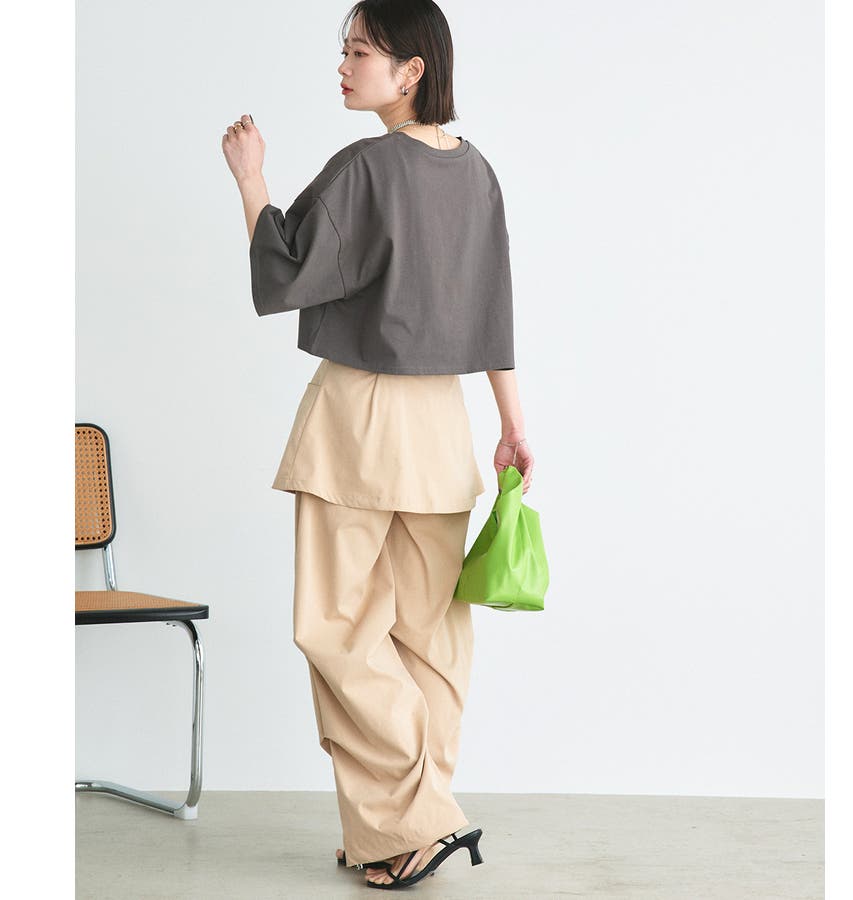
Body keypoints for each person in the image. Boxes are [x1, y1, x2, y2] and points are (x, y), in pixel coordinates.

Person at [222, 0, 534, 889]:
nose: (344, 66)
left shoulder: (365, 167)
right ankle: (401, 827)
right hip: (444, 427)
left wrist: (251, 178)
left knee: (337, 627)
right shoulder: (477, 173)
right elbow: (495, 309)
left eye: (360, 51)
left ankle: (417, 821)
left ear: (411, 71)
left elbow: (285, 271)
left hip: (359, 421)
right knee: (430, 638)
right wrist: (513, 424)